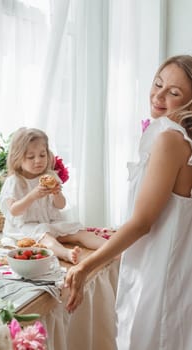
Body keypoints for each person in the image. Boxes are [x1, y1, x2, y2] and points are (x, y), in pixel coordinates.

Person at [65, 54, 192, 349]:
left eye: (174, 93)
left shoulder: (171, 140)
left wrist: (86, 268)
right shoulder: (174, 138)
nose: (158, 96)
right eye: (158, 84)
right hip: (158, 270)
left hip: (159, 277)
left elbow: (143, 223)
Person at [0, 127, 107, 264]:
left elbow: (61, 205)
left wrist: (57, 193)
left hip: (50, 223)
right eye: (31, 157)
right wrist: (32, 196)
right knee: (47, 239)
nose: (38, 160)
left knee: (80, 232)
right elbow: (14, 211)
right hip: (26, 227)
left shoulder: (49, 176)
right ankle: (66, 253)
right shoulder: (15, 182)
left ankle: (113, 248)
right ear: (18, 158)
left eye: (42, 155)